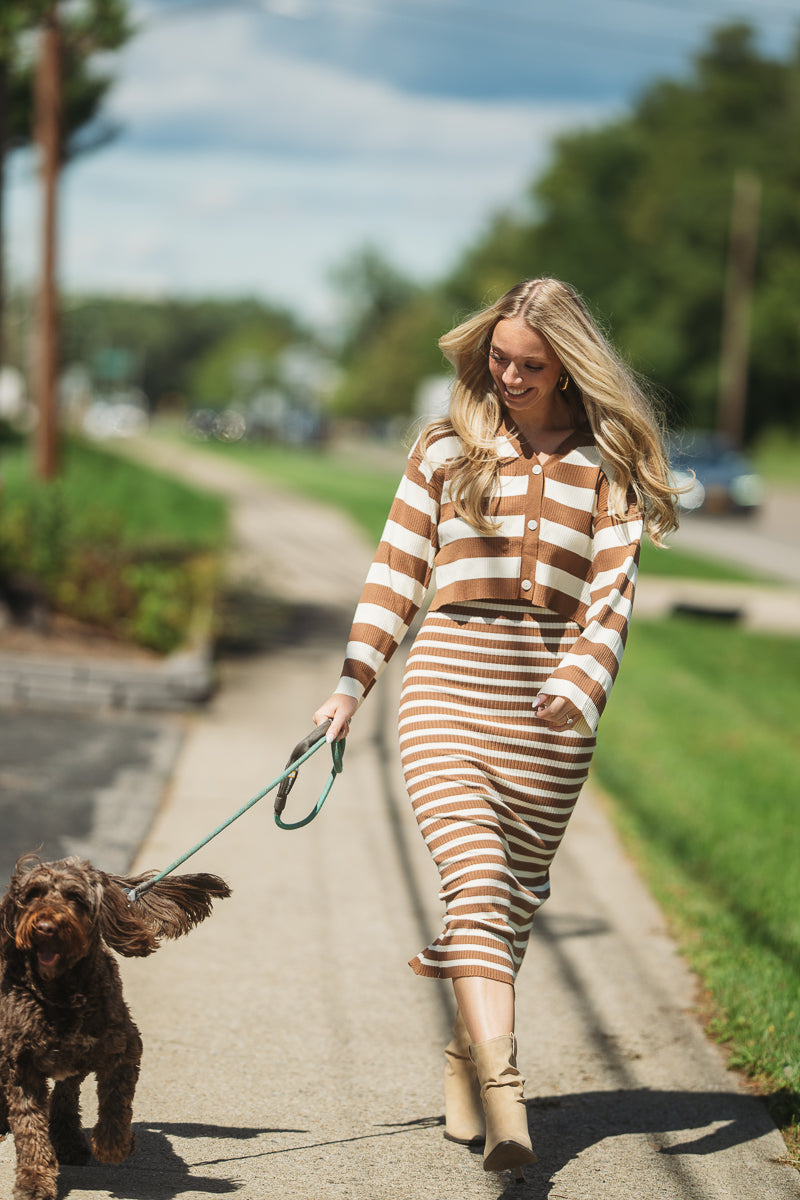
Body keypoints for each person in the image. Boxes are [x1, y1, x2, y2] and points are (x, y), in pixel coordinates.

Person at [313, 277, 679, 1175]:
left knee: (506, 907)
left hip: (548, 710)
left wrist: (579, 686)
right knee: (475, 881)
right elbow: (395, 573)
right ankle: (509, 1104)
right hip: (444, 684)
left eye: (531, 366)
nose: (509, 377)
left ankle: (464, 1065)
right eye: (499, 360)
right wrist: (351, 685)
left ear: (569, 368)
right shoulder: (445, 449)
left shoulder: (612, 464)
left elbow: (610, 603)